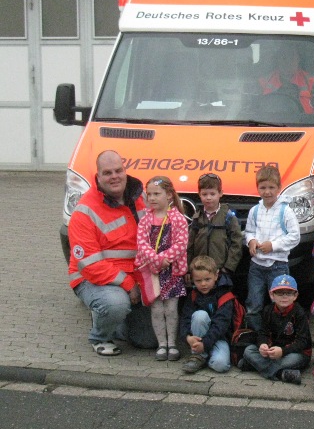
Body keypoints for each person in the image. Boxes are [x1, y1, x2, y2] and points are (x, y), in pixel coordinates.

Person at [68, 150, 157, 356]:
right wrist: (128, 284)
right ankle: (100, 336)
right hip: (95, 279)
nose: (114, 176)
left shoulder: (141, 196)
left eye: (118, 171)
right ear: (98, 177)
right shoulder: (84, 212)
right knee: (114, 304)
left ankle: (115, 320)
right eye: (107, 173)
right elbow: (90, 265)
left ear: (125, 171)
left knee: (149, 340)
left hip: (136, 276)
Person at [134, 175, 189, 361]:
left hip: (172, 272)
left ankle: (172, 344)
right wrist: (156, 261)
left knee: (171, 309)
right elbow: (142, 244)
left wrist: (166, 259)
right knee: (156, 309)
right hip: (152, 272)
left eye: (156, 194)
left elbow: (181, 244)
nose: (152, 198)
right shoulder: (145, 220)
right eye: (149, 194)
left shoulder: (178, 219)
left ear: (169, 195)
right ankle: (161, 344)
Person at [243, 165, 300, 331]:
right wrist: (251, 241)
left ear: (279, 188)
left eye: (271, 187)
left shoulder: (286, 211)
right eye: (263, 188)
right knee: (254, 303)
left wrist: (273, 246)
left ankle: (280, 334)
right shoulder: (255, 211)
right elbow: (249, 231)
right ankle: (256, 335)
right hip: (257, 266)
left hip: (278, 265)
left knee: (280, 303)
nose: (267, 192)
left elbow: (294, 236)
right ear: (257, 188)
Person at [242, 274, 312, 385]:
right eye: (280, 293)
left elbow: (302, 342)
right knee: (249, 350)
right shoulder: (267, 310)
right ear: (272, 295)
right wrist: (262, 344)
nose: (284, 297)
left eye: (288, 293)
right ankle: (281, 373)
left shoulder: (300, 313)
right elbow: (262, 333)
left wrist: (283, 351)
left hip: (295, 353)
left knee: (294, 359)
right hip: (273, 351)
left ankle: (255, 365)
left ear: (295, 295)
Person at [179, 255, 235, 374]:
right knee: (200, 316)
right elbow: (185, 318)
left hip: (219, 338)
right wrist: (187, 337)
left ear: (216, 275)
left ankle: (205, 355)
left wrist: (205, 344)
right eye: (198, 281)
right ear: (193, 279)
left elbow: (221, 325)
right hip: (199, 337)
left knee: (221, 365)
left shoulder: (225, 295)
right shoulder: (193, 295)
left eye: (207, 279)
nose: (203, 284)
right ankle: (198, 356)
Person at [187, 172, 243, 276]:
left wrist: (228, 267)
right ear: (199, 194)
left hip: (221, 270)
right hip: (199, 271)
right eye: (204, 194)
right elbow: (190, 245)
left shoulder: (228, 217)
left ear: (220, 193)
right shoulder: (197, 218)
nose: (208, 198)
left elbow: (237, 243)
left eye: (212, 194)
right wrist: (189, 268)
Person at [258, 43, 314, 114]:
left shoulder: (313, 82)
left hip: (305, 120)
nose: (287, 62)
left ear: (298, 59)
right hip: (270, 120)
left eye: (291, 57)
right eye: (284, 57)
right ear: (278, 59)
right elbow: (254, 111)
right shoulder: (263, 82)